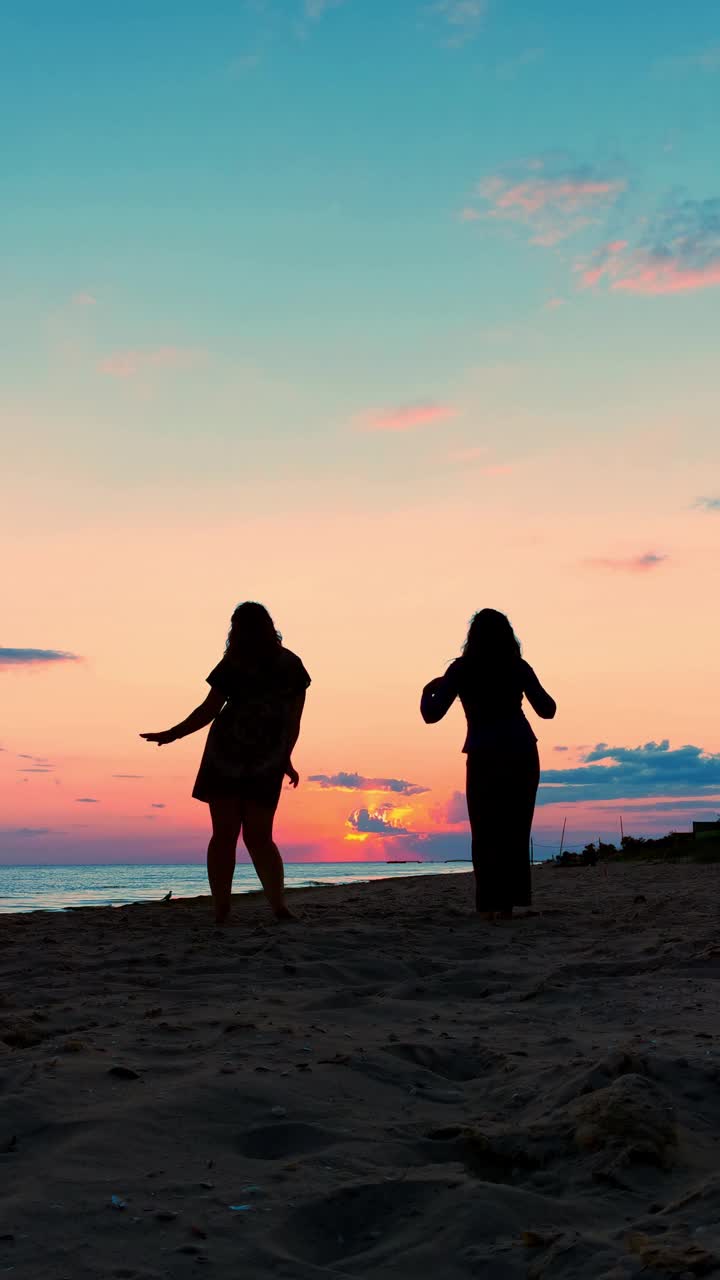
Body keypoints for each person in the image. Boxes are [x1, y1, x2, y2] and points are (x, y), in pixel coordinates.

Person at [141, 602, 310, 924]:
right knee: (257, 836)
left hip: (231, 750)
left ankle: (226, 911)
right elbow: (293, 719)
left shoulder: (242, 661)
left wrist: (174, 734)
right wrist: (286, 754)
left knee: (226, 835)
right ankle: (275, 908)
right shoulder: (286, 663)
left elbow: (209, 710)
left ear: (236, 628)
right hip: (259, 752)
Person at [420, 609, 555, 921]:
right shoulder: (518, 667)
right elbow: (547, 710)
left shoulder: (461, 669)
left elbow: (432, 715)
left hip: (484, 754)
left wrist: (427, 692)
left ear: (473, 637)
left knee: (484, 832)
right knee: (515, 831)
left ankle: (489, 906)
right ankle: (508, 904)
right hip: (521, 751)